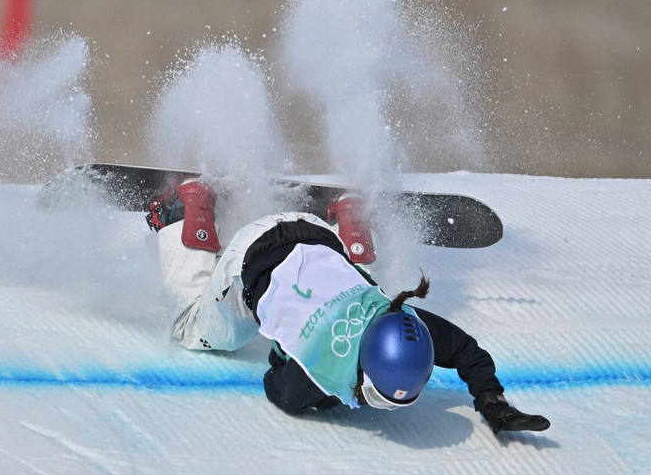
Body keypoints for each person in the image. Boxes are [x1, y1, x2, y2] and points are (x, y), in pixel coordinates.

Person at [147, 177, 550, 435]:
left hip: (316, 234)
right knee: (193, 327)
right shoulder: (320, 373)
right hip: (250, 251)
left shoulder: (397, 315)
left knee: (358, 282)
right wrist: (294, 357)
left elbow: (465, 351)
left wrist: (491, 399)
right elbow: (277, 385)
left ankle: (350, 219)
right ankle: (186, 211)